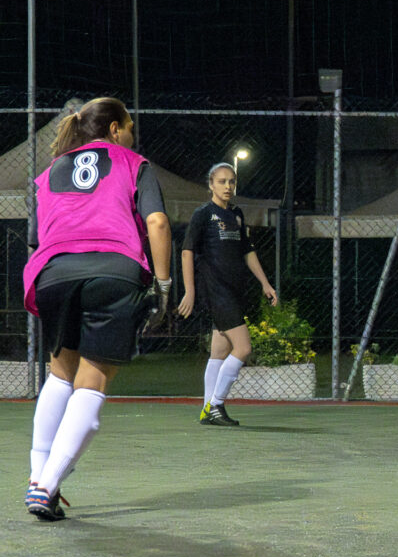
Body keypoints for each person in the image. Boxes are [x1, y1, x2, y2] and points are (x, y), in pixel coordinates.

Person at [23, 97, 172, 521]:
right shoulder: (132, 162)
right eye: (128, 128)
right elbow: (157, 223)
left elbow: (36, 239)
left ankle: (39, 478)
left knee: (60, 374)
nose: (131, 136)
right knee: (93, 380)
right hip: (112, 269)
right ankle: (47, 485)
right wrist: (162, 286)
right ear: (113, 131)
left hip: (53, 271)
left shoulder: (48, 173)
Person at [178, 163, 277, 426]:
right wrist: (190, 291)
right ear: (211, 184)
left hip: (234, 290)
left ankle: (206, 410)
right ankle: (216, 404)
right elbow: (187, 252)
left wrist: (265, 283)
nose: (228, 187)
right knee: (243, 347)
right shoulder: (203, 215)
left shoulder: (236, 214)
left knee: (219, 352)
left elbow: (248, 251)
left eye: (231, 182)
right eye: (222, 182)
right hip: (216, 290)